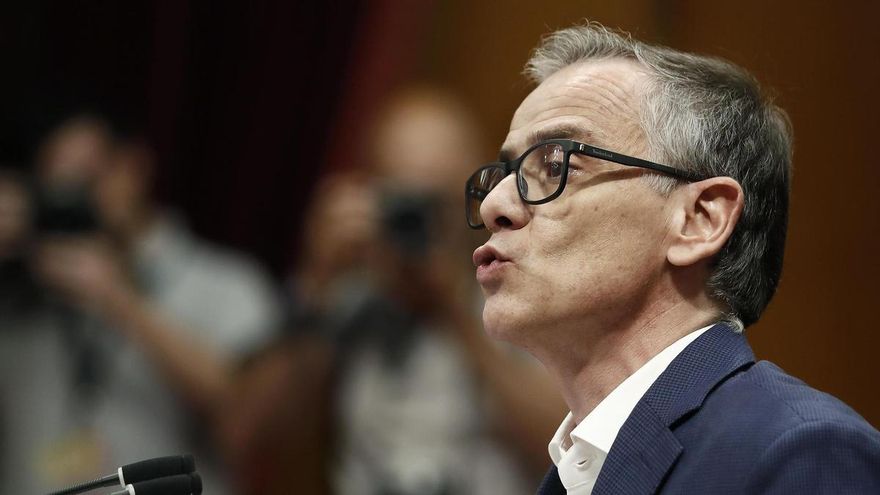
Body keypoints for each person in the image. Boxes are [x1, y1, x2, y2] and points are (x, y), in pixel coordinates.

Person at [464, 22, 880, 494]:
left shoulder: (802, 454)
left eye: (557, 165)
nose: (493, 204)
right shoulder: (572, 476)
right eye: (506, 172)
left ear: (700, 220)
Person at [217, 87, 567, 495]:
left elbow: (564, 450)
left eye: (435, 199)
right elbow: (243, 433)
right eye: (403, 199)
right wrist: (315, 284)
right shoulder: (348, 302)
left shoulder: (526, 293)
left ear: (482, 191)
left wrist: (455, 316)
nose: (417, 221)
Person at [0, 115, 281, 494]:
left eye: (87, 181)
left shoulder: (228, 285)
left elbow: (251, 413)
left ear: (133, 168)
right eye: (55, 190)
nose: (74, 202)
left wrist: (117, 299)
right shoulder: (20, 294)